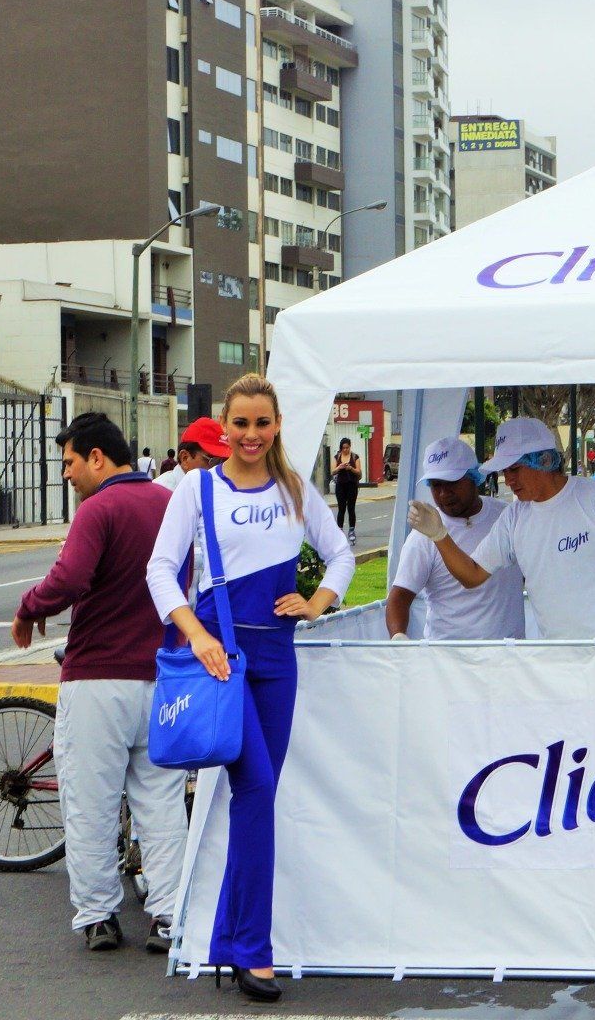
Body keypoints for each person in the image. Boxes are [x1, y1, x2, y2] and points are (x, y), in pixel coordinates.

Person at [144, 374, 355, 1002]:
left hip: (278, 658)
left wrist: (317, 602)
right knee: (257, 789)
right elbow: (159, 569)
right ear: (224, 426)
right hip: (221, 658)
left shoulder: (295, 489)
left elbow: (342, 552)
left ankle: (229, 944)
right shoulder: (196, 486)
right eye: (240, 423)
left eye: (262, 423)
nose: (251, 434)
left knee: (256, 798)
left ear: (278, 425)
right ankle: (252, 951)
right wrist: (194, 634)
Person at [12, 413, 183, 954]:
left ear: (97, 458)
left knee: (90, 803)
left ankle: (98, 916)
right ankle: (168, 915)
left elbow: (69, 579)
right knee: (160, 804)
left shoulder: (98, 508)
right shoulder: (168, 505)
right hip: (161, 679)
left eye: (69, 462)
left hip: (97, 680)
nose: (66, 474)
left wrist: (28, 606)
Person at [411, 417, 595, 639]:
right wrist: (439, 535)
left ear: (544, 460)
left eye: (515, 469)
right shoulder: (514, 517)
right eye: (504, 470)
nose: (508, 479)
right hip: (556, 658)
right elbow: (473, 575)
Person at [385, 437, 525, 641]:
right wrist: (398, 637)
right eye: (435, 485)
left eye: (452, 483)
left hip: (507, 656)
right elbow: (399, 597)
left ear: (474, 477)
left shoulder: (506, 517)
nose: (443, 493)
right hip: (448, 660)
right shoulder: (424, 535)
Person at [154, 416, 230, 492]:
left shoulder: (220, 490)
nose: (221, 468)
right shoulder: (160, 493)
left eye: (225, 461)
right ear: (185, 458)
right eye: (215, 461)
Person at [331, 438, 363, 544]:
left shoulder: (355, 457)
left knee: (351, 508)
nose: (345, 450)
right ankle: (339, 531)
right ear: (341, 448)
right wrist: (340, 467)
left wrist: (351, 469)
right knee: (341, 508)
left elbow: (359, 472)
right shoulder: (337, 457)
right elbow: (332, 471)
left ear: (350, 447)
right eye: (344, 448)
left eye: (347, 447)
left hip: (352, 485)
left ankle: (351, 530)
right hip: (340, 485)